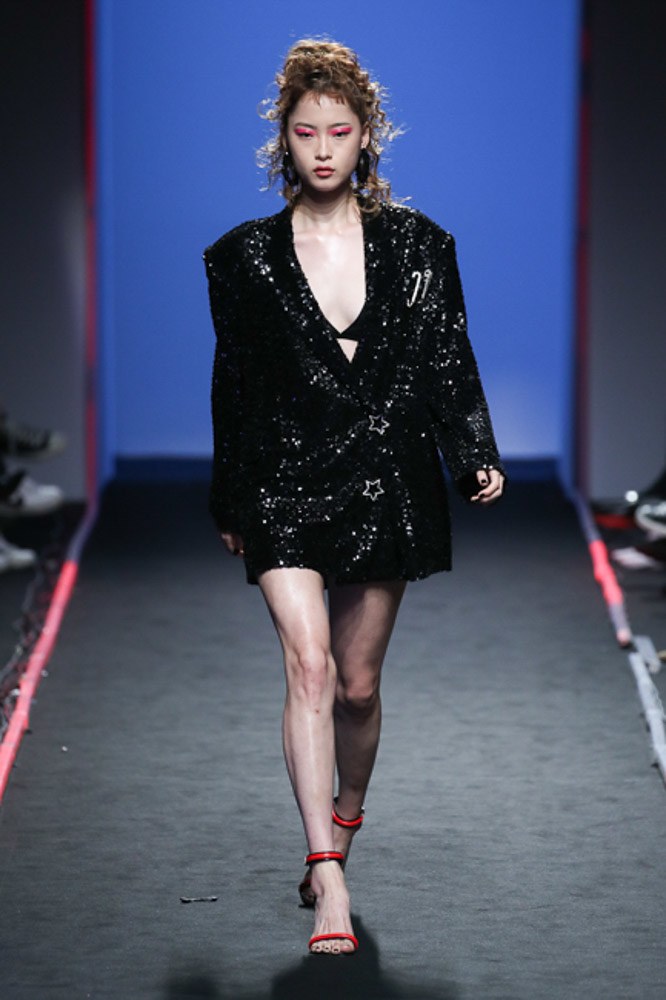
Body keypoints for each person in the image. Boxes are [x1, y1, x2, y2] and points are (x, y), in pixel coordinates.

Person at [203, 39, 505, 956]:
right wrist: (231, 499)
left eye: (339, 131)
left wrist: (474, 453)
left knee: (359, 688)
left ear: (367, 135)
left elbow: (448, 356)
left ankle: (344, 819)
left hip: (385, 478)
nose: (323, 149)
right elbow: (234, 383)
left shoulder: (420, 246)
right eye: (307, 133)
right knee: (310, 668)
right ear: (284, 140)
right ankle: (326, 874)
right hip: (283, 478)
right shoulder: (242, 258)